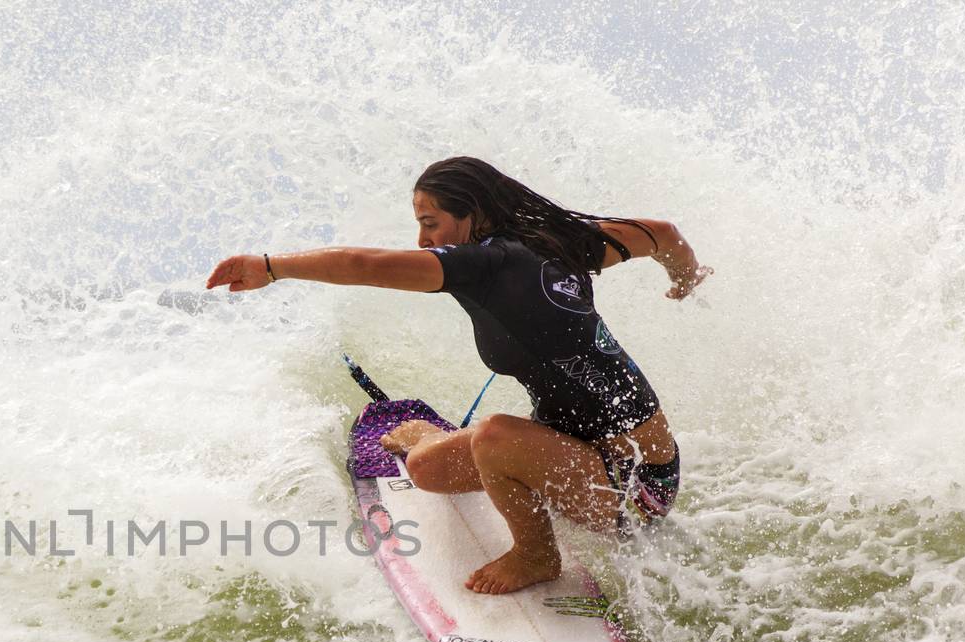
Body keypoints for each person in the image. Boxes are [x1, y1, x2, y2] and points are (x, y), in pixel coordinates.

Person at [204, 156, 711, 595]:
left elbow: (365, 264)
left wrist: (270, 266)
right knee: (426, 470)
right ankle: (436, 437)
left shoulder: (493, 262)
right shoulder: (564, 242)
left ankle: (536, 556)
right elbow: (663, 236)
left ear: (475, 215)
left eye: (431, 222)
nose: (423, 239)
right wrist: (684, 277)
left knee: (495, 435)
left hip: (636, 487)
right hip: (568, 447)